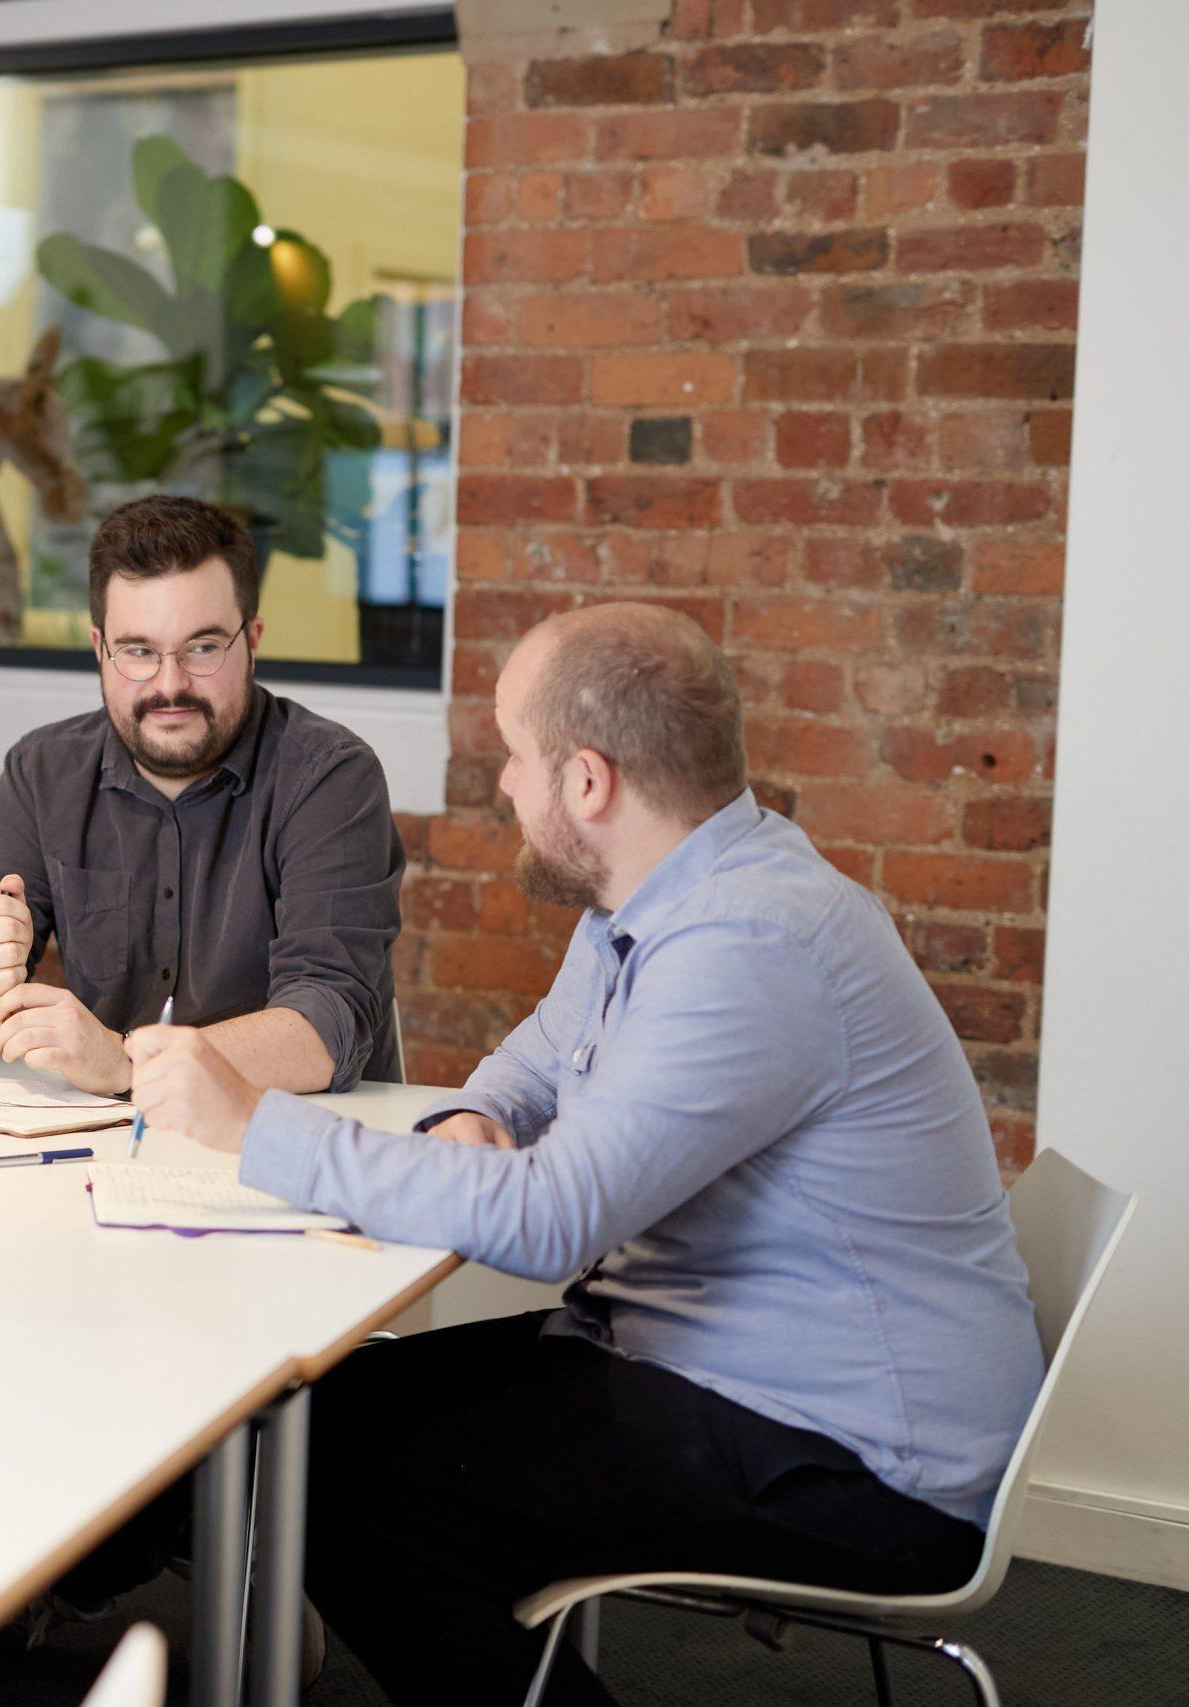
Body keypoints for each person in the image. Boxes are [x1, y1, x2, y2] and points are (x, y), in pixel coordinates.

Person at [126, 601, 1043, 1706]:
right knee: (309, 1415)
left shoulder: (746, 944)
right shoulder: (663, 895)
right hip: (702, 1364)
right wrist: (477, 1120)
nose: (504, 787)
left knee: (336, 1485)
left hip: (853, 1463)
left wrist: (248, 1125)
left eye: (516, 758)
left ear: (589, 782)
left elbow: (549, 1223)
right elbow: (534, 1060)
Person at [0, 494, 404, 1096]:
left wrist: (127, 1063)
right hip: (108, 1144)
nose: (170, 685)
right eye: (139, 651)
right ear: (100, 650)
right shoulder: (44, 771)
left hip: (290, 1137)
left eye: (202, 648)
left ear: (252, 641)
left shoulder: (329, 776)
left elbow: (327, 1027)